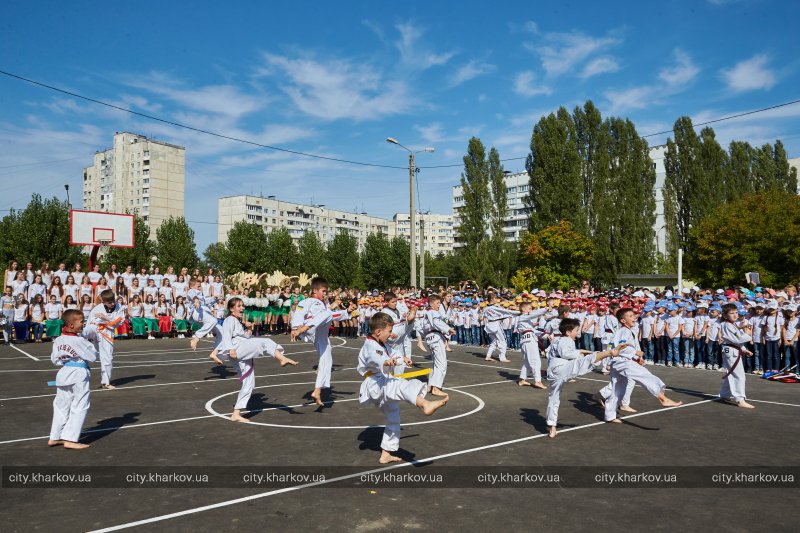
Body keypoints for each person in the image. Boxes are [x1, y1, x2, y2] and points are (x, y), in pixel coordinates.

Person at [357, 311, 449, 463]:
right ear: (379, 331)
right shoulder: (370, 346)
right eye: (389, 331)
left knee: (394, 415)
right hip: (375, 383)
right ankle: (425, 404)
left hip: (379, 382)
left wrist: (402, 359)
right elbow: (377, 358)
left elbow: (393, 353)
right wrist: (387, 362)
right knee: (400, 385)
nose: (391, 334)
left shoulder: (381, 343)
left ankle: (386, 452)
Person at [212, 297, 298, 423]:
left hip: (241, 350)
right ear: (231, 309)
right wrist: (230, 349)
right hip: (237, 349)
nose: (242, 308)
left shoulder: (237, 320)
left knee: (249, 383)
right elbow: (226, 336)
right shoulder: (229, 320)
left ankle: (236, 413)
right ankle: (282, 359)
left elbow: (243, 337)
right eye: (239, 306)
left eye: (242, 305)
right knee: (265, 342)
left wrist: (248, 330)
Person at [546, 318, 625, 439]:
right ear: (568, 332)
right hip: (562, 367)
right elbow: (566, 354)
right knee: (587, 361)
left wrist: (584, 351)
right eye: (576, 330)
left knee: (554, 398)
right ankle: (609, 353)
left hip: (553, 370)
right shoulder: (567, 340)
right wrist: (581, 354)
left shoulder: (557, 340)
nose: (578, 333)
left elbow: (549, 354)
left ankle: (552, 426)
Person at [603, 308, 683, 424]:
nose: (634, 317)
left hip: (618, 362)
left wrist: (637, 357)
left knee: (618, 390)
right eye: (630, 316)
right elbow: (620, 347)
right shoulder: (624, 331)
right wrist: (635, 353)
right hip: (622, 362)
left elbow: (618, 347)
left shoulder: (626, 331)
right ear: (623, 320)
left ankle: (609, 415)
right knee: (644, 375)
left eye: (633, 315)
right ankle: (663, 398)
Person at [291, 277, 354, 406]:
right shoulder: (308, 301)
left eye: (326, 292)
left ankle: (317, 390)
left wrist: (347, 311)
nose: (326, 294)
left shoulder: (324, 305)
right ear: (315, 290)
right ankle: (304, 328)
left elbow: (330, 316)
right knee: (327, 314)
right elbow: (299, 311)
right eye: (323, 291)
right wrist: (296, 328)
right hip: (309, 327)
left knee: (326, 360)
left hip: (320, 332)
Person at [48, 309, 98, 450]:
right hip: (78, 373)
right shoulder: (79, 340)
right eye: (81, 322)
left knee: (61, 405)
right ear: (71, 325)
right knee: (80, 405)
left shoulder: (58, 339)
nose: (83, 324)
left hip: (64, 372)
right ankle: (70, 438)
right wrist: (88, 340)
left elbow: (54, 360)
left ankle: (55, 437)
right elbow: (93, 356)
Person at [84, 289, 126, 390]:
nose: (112, 304)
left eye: (113, 301)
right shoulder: (97, 308)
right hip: (95, 328)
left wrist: (105, 318)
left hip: (107, 333)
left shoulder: (119, 307)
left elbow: (119, 322)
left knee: (107, 358)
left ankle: (106, 382)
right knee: (85, 331)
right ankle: (72, 336)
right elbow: (90, 322)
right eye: (109, 302)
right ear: (103, 301)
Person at [719, 303, 755, 408]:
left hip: (733, 349)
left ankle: (725, 394)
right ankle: (740, 399)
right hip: (731, 352)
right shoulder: (727, 325)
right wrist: (747, 334)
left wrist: (744, 350)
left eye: (736, 312)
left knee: (731, 373)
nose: (735, 315)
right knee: (739, 375)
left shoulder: (732, 325)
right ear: (725, 315)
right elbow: (737, 339)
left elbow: (735, 341)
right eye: (732, 313)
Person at [419, 294, 454, 396]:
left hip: (430, 338)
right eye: (437, 303)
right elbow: (437, 322)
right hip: (436, 338)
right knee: (441, 364)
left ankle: (431, 385)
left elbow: (422, 328)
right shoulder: (433, 312)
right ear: (431, 303)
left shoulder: (427, 313)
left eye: (440, 303)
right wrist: (448, 329)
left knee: (435, 364)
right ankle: (436, 388)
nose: (439, 305)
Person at [516, 301, 548, 388]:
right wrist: (546, 309)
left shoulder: (526, 320)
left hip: (527, 340)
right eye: (529, 308)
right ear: (523, 309)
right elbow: (533, 314)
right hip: (529, 341)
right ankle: (538, 381)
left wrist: (546, 335)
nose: (531, 310)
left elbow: (534, 331)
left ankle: (522, 380)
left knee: (527, 362)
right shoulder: (522, 317)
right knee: (535, 361)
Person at [483, 292, 521, 362]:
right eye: (495, 298)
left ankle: (488, 356)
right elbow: (506, 311)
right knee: (503, 340)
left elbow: (484, 317)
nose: (496, 299)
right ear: (492, 299)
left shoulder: (485, 308)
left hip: (489, 325)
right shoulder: (495, 307)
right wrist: (519, 312)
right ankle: (502, 357)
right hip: (496, 324)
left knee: (494, 341)